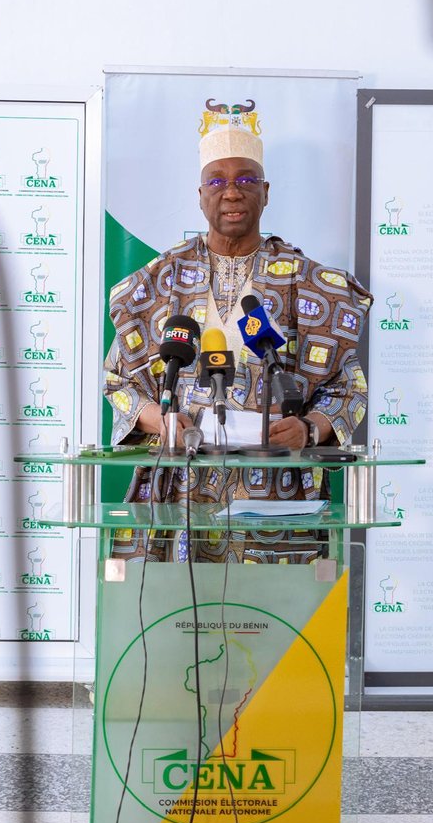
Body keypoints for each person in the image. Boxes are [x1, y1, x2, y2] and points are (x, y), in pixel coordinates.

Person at [102, 99, 371, 562]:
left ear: (266, 193)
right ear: (201, 195)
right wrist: (160, 420)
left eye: (246, 180)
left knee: (269, 624)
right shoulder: (159, 280)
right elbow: (117, 381)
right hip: (179, 493)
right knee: (182, 627)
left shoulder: (308, 282)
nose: (232, 193)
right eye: (218, 182)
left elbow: (350, 389)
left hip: (275, 497)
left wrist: (308, 429)